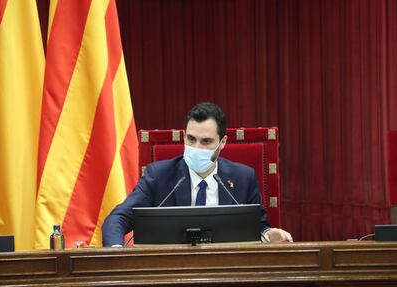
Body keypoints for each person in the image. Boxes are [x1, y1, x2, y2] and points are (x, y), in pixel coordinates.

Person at [102, 102, 293, 246]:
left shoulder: (243, 178)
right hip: (170, 275)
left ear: (223, 142)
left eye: (206, 141)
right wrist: (116, 251)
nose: (196, 147)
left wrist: (267, 234)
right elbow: (118, 219)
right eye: (191, 139)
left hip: (227, 275)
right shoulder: (158, 176)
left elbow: (256, 225)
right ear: (184, 136)